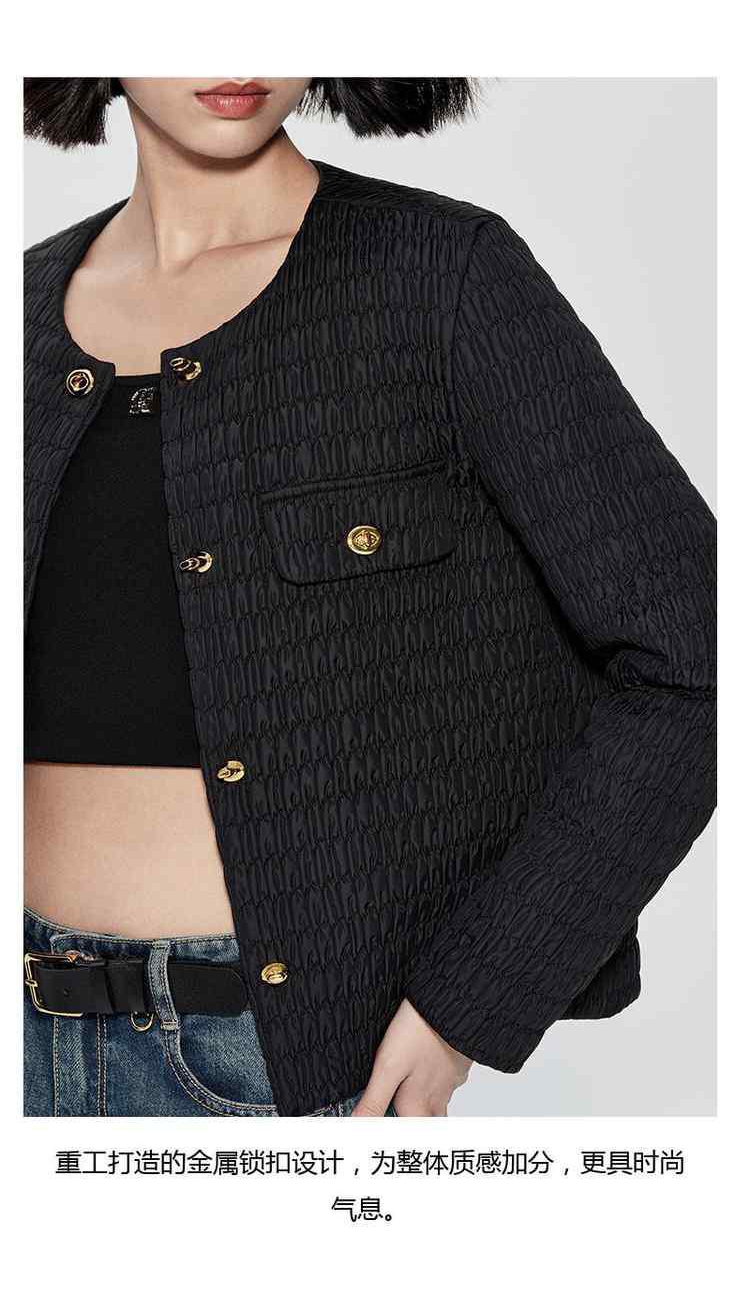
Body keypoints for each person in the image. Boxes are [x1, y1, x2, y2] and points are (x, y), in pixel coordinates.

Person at [23, 77, 716, 1118]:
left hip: (276, 1068)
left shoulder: (438, 278)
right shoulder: (25, 308)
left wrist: (471, 1001)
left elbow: (700, 657)